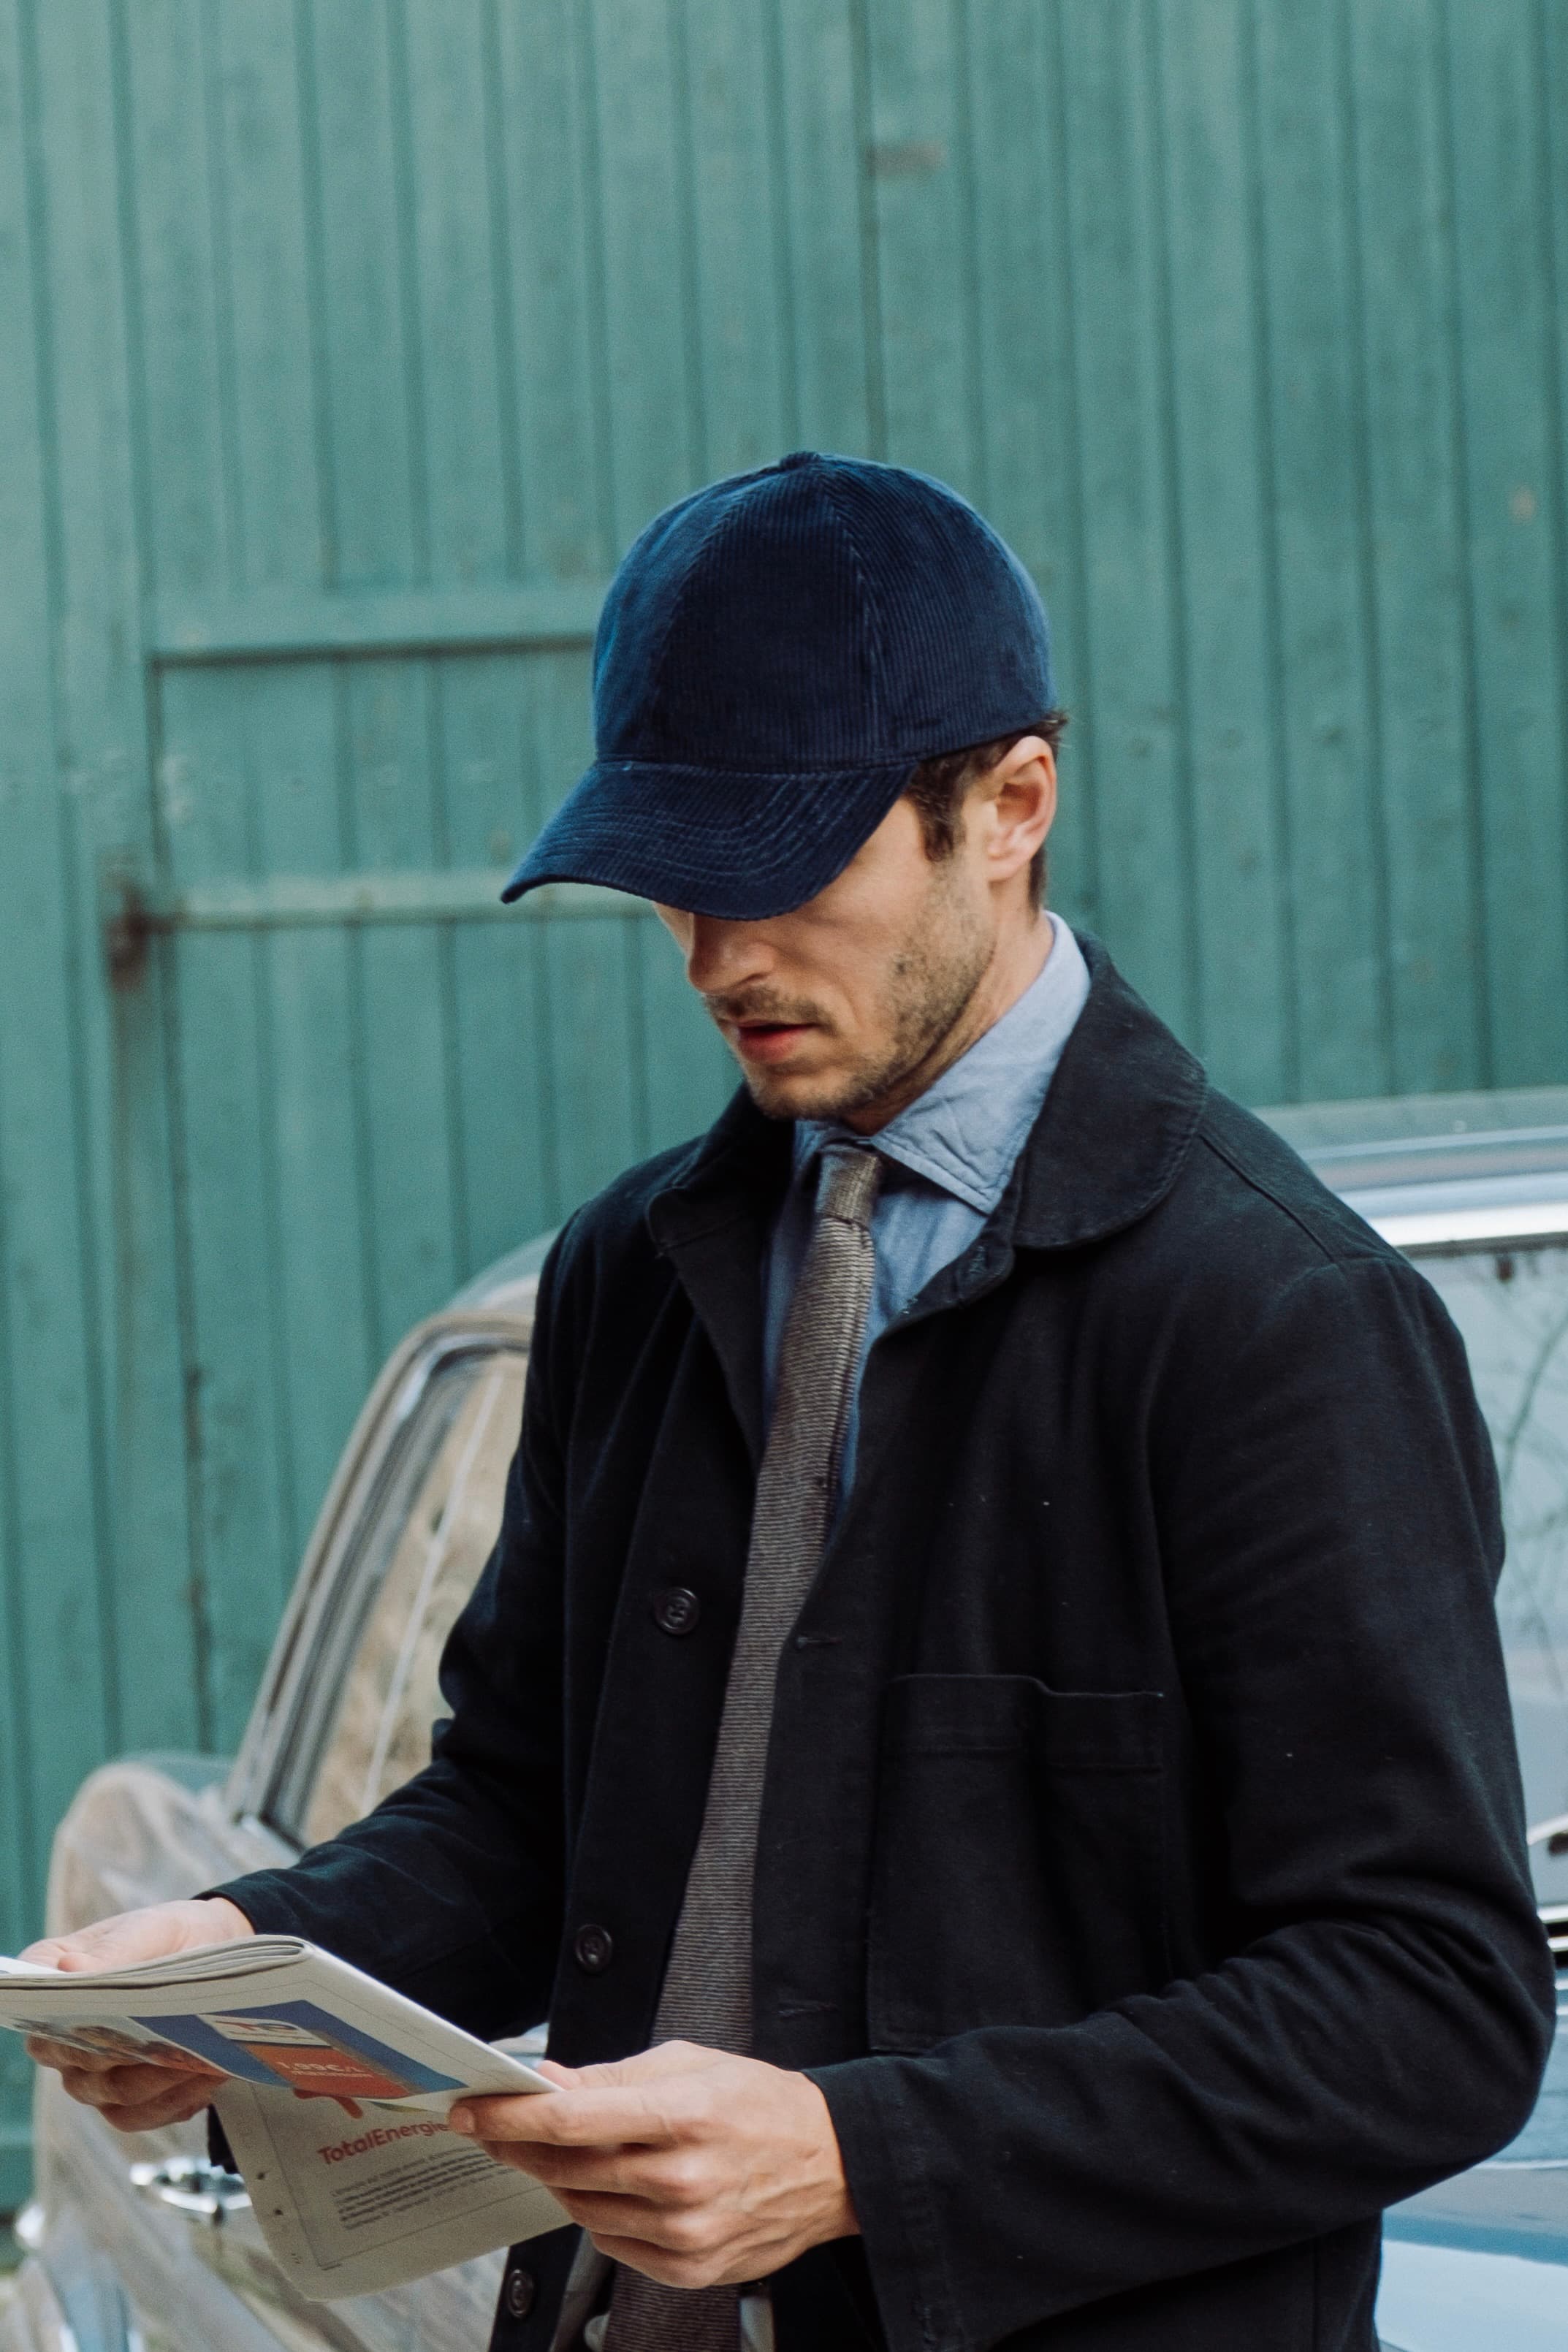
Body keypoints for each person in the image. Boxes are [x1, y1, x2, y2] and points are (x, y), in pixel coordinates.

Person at [25, 454, 1553, 2352]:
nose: (717, 950)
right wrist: (247, 1954)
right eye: (675, 870)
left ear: (1008, 806)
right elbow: (521, 1817)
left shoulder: (1270, 1319)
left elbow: (1428, 2002)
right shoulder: (632, 1273)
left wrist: (855, 2156)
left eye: (786, 864)